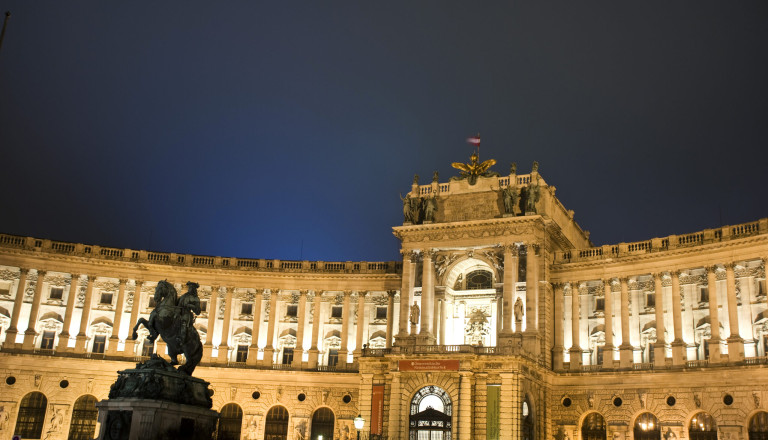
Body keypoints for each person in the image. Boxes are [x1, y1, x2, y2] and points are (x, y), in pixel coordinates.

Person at [176, 281, 201, 346]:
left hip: (186, 313)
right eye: (189, 287)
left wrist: (190, 305)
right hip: (178, 312)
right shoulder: (183, 296)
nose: (189, 289)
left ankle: (182, 339)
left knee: (183, 323)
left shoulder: (196, 299)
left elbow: (198, 311)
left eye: (191, 288)